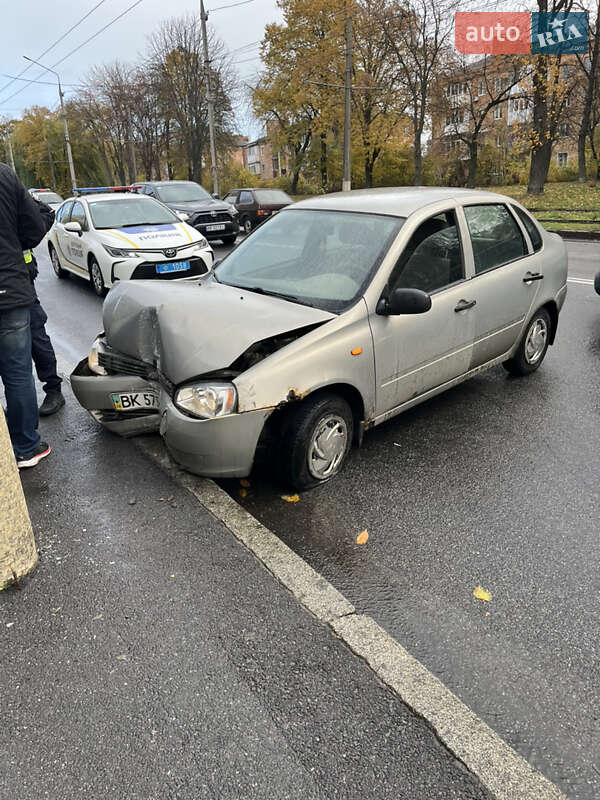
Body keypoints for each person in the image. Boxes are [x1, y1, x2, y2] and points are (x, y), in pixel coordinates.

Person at [0, 164, 54, 468]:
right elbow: (34, 228)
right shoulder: (5, 174)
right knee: (18, 373)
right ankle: (25, 446)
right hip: (9, 291)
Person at [24, 199, 65, 416]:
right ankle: (18, 400)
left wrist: (22, 239)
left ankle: (53, 388)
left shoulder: (8, 187)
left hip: (19, 280)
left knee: (36, 336)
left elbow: (46, 212)